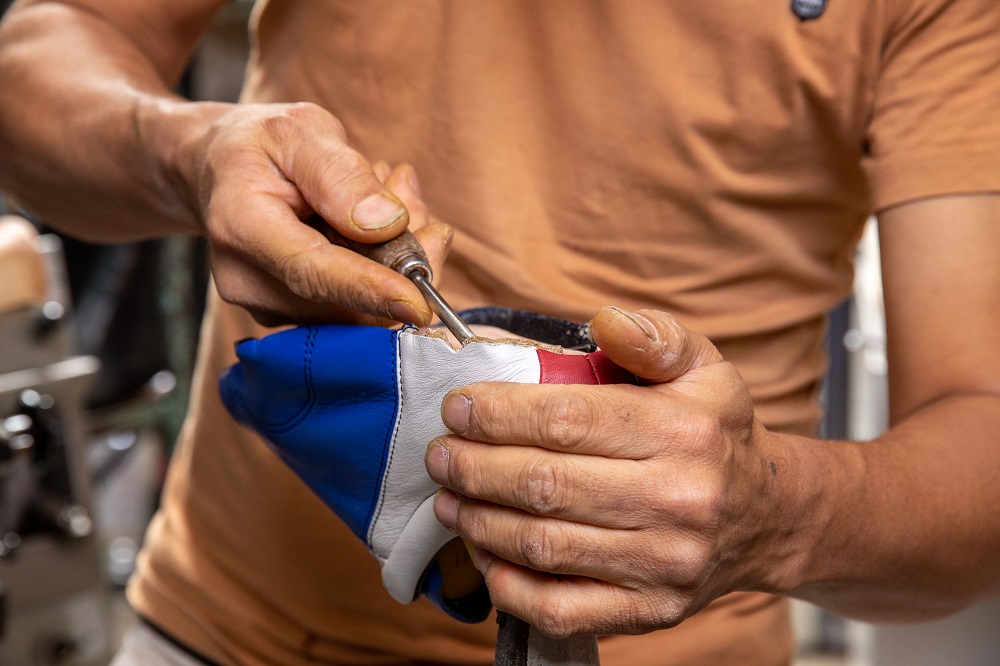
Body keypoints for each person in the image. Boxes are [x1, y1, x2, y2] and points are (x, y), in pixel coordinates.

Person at [1, 0, 998, 664]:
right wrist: (192, 150)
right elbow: (44, 58)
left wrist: (777, 515)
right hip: (224, 629)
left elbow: (980, 439)